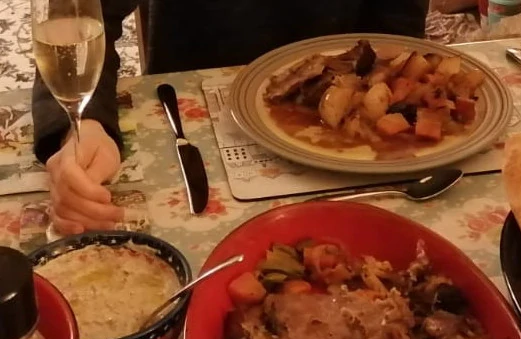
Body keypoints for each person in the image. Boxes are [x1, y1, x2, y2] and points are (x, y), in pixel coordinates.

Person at [32, 0, 430, 235]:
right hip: (187, 128)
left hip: (356, 154)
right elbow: (78, 16)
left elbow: (396, 34)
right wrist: (85, 125)